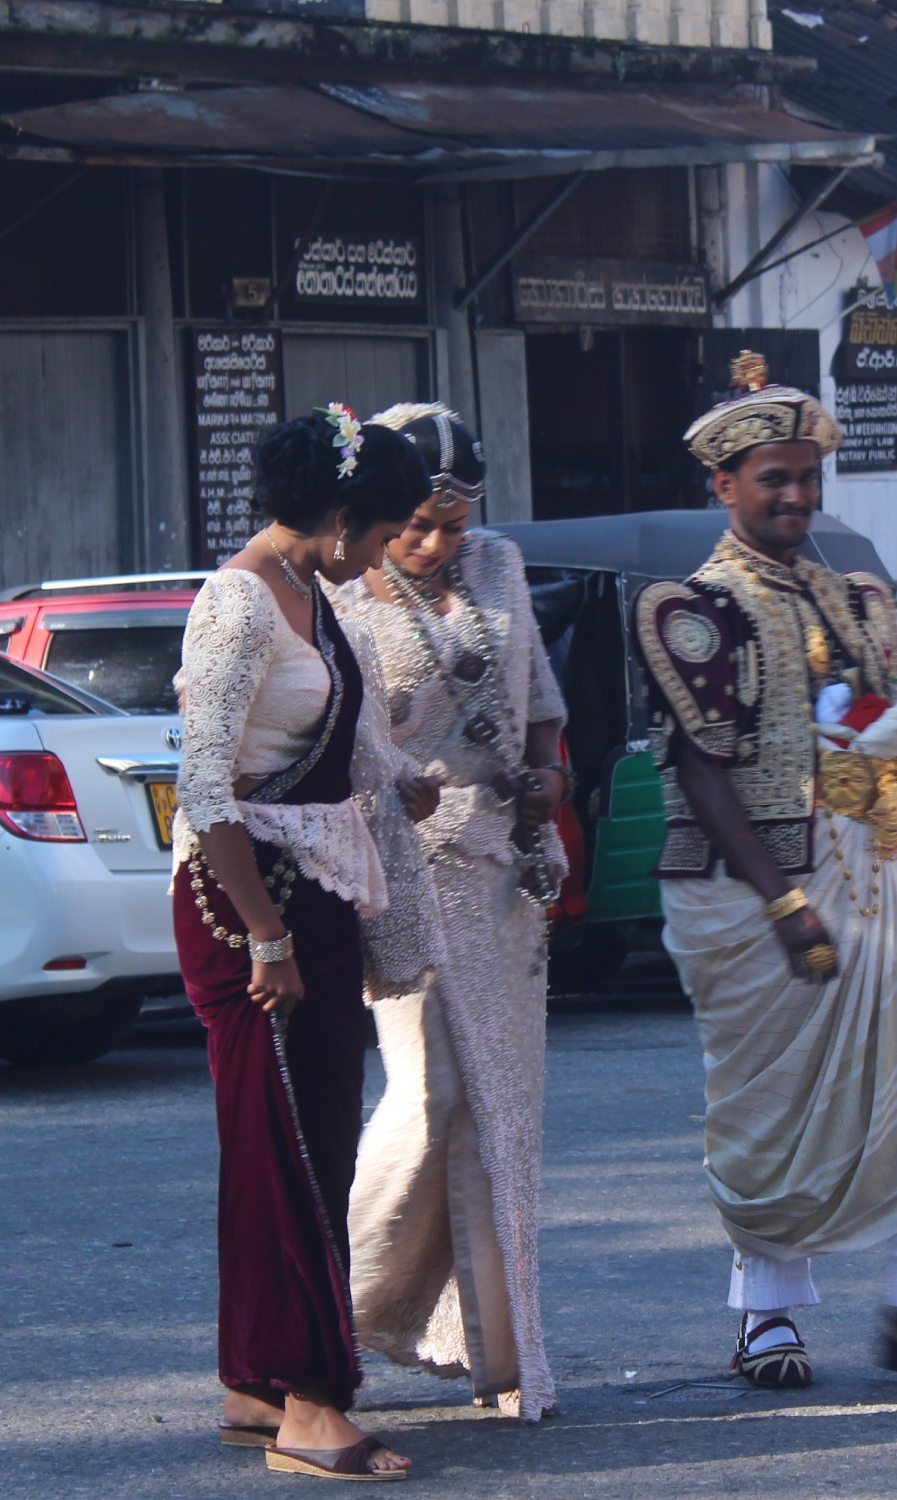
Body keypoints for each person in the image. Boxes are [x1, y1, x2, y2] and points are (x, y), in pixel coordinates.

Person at [634, 353, 897, 1389]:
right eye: (775, 478)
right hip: (751, 889)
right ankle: (765, 1318)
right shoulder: (690, 609)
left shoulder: (855, 595)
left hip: (872, 867)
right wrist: (782, 903)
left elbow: (888, 746)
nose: (797, 496)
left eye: (808, 477)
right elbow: (700, 773)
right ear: (724, 487)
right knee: (770, 1101)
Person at [173, 407, 435, 1482]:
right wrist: (269, 937)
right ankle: (312, 1407)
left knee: (285, 1141)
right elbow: (201, 781)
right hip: (251, 908)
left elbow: (339, 744)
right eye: (381, 533)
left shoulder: (312, 597)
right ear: (336, 518)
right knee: (294, 1148)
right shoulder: (236, 603)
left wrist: (400, 781)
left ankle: (255, 1379)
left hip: (306, 893)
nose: (386, 553)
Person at [336, 403, 569, 1423]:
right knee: (428, 1100)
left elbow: (544, 705)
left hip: (506, 869)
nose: (434, 543)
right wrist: (393, 792)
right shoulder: (342, 593)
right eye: (416, 523)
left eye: (453, 520)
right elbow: (333, 749)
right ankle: (327, 1320)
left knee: (502, 1121)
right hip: (405, 873)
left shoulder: (502, 570)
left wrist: (552, 779)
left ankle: (507, 1358)